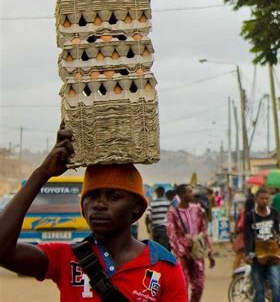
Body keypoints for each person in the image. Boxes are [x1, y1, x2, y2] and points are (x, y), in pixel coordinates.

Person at [0, 127, 187, 301]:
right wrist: (42, 173)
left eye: (113, 196)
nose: (99, 205)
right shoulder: (66, 258)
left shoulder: (164, 267)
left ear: (136, 206)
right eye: (92, 196)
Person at [166, 184, 215, 302]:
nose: (192, 194)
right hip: (182, 256)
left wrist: (209, 251)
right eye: (189, 192)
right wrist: (182, 252)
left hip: (197, 252)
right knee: (183, 285)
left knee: (199, 285)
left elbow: (203, 231)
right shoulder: (172, 213)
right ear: (181, 195)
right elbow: (172, 236)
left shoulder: (197, 209)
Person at [244, 186, 280, 302]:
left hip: (272, 255)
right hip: (257, 256)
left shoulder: (274, 213)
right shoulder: (250, 216)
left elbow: (277, 231)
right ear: (256, 199)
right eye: (262, 198)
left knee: (276, 286)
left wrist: (276, 237)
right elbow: (248, 236)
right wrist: (248, 253)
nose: (264, 201)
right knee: (259, 289)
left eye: (266, 199)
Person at [146, 186, 171, 250]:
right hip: (165, 229)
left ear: (156, 192)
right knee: (164, 249)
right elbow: (171, 216)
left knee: (156, 249)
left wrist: (147, 227)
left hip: (155, 229)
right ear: (164, 192)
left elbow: (147, 216)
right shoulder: (168, 202)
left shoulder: (152, 203)